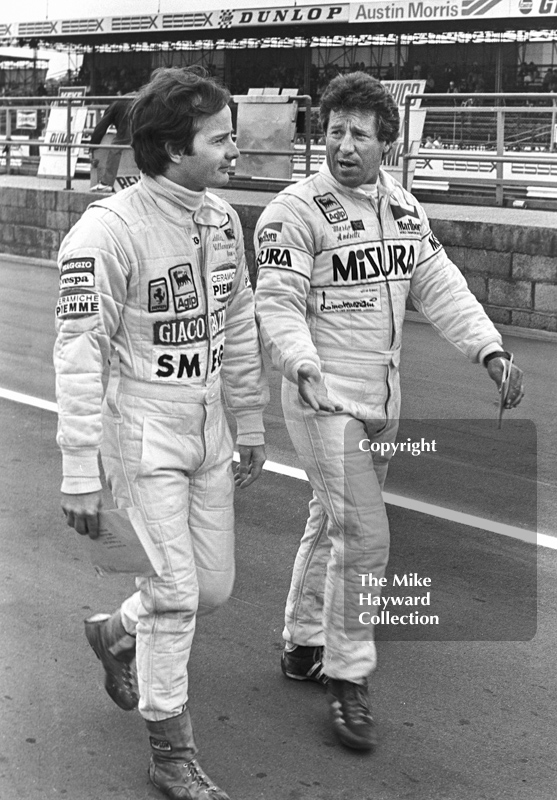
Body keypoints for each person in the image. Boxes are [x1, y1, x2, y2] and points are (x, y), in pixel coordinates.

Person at [253, 72, 524, 752]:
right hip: (323, 397)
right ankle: (347, 675)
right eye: (333, 132)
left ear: (386, 145)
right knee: (367, 539)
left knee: (332, 522)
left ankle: (301, 642)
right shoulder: (293, 211)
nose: (344, 147)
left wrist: (487, 350)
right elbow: (278, 303)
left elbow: (439, 285)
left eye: (359, 135)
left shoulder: (402, 208)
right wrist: (301, 363)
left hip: (384, 397)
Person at [54, 67, 269, 800]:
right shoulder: (105, 233)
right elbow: (77, 352)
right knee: (175, 593)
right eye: (221, 138)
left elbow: (237, 324)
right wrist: (79, 466)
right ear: (176, 150)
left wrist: (249, 420)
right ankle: (170, 751)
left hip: (207, 426)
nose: (234, 149)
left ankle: (112, 634)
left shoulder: (217, 220)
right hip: (140, 434)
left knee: (211, 589)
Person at [88, 93, 133, 191]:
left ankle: (106, 183)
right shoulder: (122, 102)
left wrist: (92, 148)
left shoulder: (113, 108)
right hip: (143, 106)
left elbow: (100, 128)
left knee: (116, 146)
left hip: (131, 112)